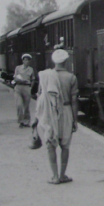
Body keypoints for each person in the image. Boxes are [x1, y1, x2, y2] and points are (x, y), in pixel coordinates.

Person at [35, 49, 78, 185]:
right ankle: (63, 175)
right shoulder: (71, 77)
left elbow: (41, 97)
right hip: (66, 111)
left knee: (50, 144)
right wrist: (75, 120)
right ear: (66, 61)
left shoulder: (45, 75)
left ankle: (54, 176)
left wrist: (37, 117)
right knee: (65, 146)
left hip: (49, 111)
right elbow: (74, 100)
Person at [14, 53, 35, 128]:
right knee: (19, 105)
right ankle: (20, 121)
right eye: (25, 60)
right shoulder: (18, 68)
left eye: (28, 60)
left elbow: (33, 79)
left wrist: (31, 88)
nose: (26, 61)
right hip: (18, 88)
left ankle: (26, 121)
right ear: (22, 61)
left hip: (27, 88)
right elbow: (15, 78)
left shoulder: (31, 69)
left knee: (26, 106)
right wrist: (23, 81)